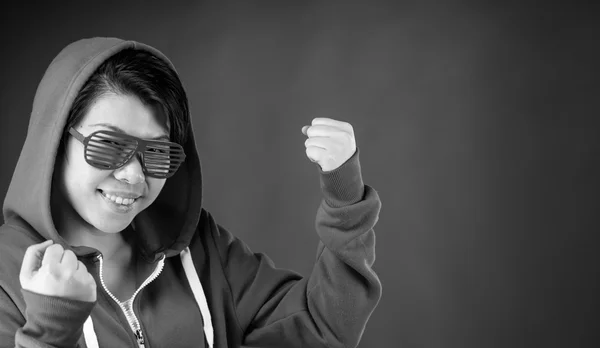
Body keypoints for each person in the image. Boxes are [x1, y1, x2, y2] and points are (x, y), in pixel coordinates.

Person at [0, 37, 382, 348]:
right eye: (108, 145)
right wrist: (51, 327)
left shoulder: (198, 248)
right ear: (54, 139)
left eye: (157, 153)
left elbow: (318, 329)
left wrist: (344, 199)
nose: (133, 175)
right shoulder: (6, 276)